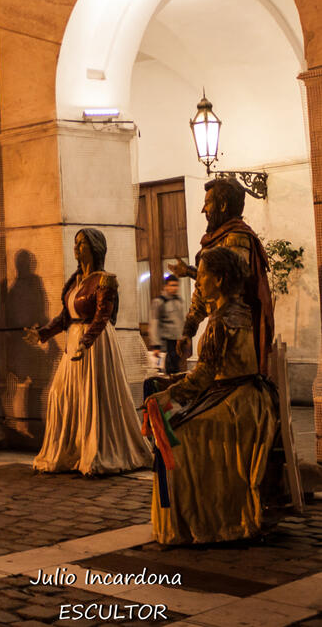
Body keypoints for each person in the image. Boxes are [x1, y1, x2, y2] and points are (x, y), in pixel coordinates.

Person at [144, 247, 279, 545]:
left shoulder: (221, 321)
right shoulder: (237, 308)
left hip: (240, 404)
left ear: (218, 279)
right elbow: (212, 371)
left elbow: (204, 376)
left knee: (180, 436)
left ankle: (207, 518)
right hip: (243, 394)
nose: (198, 282)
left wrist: (165, 397)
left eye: (202, 275)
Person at [26, 229, 150, 475]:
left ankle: (94, 452)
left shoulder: (104, 280)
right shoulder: (75, 282)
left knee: (91, 397)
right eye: (75, 243)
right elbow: (65, 317)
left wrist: (87, 341)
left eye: (81, 243)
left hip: (95, 345)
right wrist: (42, 334)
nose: (76, 247)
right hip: (73, 341)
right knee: (60, 395)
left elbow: (103, 316)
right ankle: (71, 450)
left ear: (95, 248)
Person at [168, 178, 274, 374]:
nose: (203, 210)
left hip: (235, 331)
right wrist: (188, 330)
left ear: (223, 205)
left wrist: (193, 272)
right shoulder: (218, 239)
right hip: (220, 324)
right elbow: (204, 289)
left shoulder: (236, 238)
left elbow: (230, 281)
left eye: (208, 203)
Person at [149, 275, 186, 374]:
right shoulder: (159, 302)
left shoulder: (179, 301)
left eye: (176, 286)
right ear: (166, 286)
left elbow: (181, 321)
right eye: (172, 285)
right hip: (166, 343)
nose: (175, 288)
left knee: (177, 370)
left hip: (177, 343)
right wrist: (156, 346)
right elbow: (154, 323)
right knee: (166, 371)